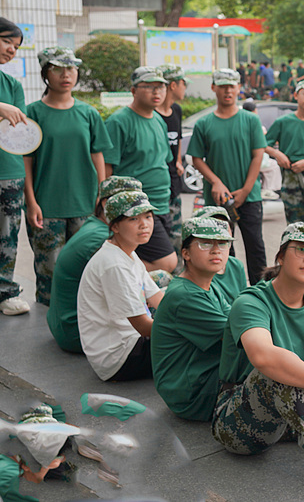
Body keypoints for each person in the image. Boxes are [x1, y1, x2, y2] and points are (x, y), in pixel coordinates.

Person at [213, 222, 304, 484]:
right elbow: (264, 357)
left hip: (295, 409)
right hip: (241, 422)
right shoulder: (251, 302)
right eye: (302, 249)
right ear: (280, 256)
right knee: (277, 371)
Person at [24, 47, 109, 305]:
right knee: (48, 276)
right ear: (45, 73)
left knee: (86, 272)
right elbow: (26, 161)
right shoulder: (32, 113)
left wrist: (102, 196)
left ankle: (77, 327)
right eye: (58, 68)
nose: (66, 74)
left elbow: (98, 156)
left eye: (71, 68)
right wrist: (31, 202)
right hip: (46, 207)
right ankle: (46, 332)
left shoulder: (89, 113)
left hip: (84, 206)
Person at [151, 217, 238, 421]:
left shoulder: (208, 283)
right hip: (194, 394)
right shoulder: (186, 295)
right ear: (186, 253)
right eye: (206, 243)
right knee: (264, 356)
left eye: (223, 243)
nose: (216, 250)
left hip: (205, 375)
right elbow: (238, 336)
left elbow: (236, 318)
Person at [188, 68, 268, 284]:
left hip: (249, 198)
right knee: (220, 251)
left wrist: (245, 190)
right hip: (217, 200)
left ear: (239, 88)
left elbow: (258, 155)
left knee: (256, 248)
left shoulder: (250, 120)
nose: (227, 91)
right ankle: (228, 293)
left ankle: (261, 294)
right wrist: (216, 182)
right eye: (222, 86)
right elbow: (197, 159)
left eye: (231, 86)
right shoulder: (204, 124)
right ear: (214, 88)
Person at [47, 176, 143, 353]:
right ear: (106, 205)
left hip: (65, 324)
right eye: (129, 206)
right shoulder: (101, 239)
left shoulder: (95, 225)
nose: (138, 214)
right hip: (78, 332)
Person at [77, 190, 165, 381]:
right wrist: (188, 327)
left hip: (130, 341)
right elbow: (143, 326)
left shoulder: (127, 253)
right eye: (134, 219)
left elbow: (159, 298)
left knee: (175, 297)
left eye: (148, 216)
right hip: (119, 357)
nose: (145, 224)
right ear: (115, 226)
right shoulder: (113, 264)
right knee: (191, 347)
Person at [103, 66, 176, 274]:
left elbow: (164, 161)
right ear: (134, 91)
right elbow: (107, 168)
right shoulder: (119, 121)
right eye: (149, 87)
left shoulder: (159, 121)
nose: (157, 92)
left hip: (161, 205)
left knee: (147, 257)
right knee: (167, 262)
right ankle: (108, 270)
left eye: (161, 87)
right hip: (135, 209)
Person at [265, 78, 304, 224]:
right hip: (290, 174)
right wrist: (277, 154)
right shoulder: (283, 122)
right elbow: (263, 144)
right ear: (295, 95)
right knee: (295, 223)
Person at [0, 19, 31, 316]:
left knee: (8, 232)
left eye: (17, 47)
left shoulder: (12, 85)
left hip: (9, 170)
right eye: (8, 42)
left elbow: (17, 131)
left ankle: (5, 291)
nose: (12, 50)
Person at [155, 64, 189, 255]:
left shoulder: (176, 110)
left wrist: (177, 161)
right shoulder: (153, 114)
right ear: (174, 85)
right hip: (158, 184)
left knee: (176, 234)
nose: (185, 89)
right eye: (184, 84)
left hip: (174, 180)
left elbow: (179, 138)